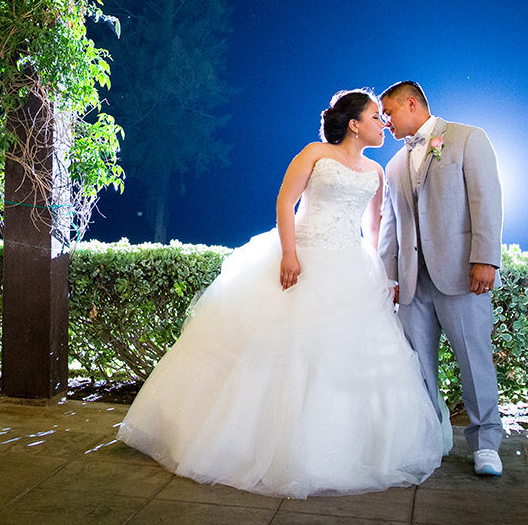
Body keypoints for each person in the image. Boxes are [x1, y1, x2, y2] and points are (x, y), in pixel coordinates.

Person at [118, 90, 442, 498]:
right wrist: (290, 253)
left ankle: (334, 449)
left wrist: (383, 273)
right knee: (276, 349)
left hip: (350, 267)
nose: (384, 123)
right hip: (301, 256)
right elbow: (286, 201)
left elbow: (375, 228)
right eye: (377, 116)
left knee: (340, 357)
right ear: (355, 124)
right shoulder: (314, 153)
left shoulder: (376, 172)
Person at [377, 80, 505, 477]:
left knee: (474, 359)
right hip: (413, 284)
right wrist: (389, 277)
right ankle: (431, 439)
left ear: (411, 104)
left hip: (461, 275)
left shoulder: (468, 138)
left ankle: (487, 444)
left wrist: (485, 259)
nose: (386, 123)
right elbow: (389, 226)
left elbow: (487, 199)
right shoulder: (394, 164)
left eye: (389, 114)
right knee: (417, 367)